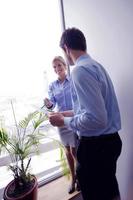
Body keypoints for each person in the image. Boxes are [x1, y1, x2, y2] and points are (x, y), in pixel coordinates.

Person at [48, 28, 122, 200]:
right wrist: (67, 114)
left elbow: (96, 119)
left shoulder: (80, 71)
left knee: (97, 194)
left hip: (96, 148)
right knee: (110, 190)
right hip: (109, 143)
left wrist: (64, 121)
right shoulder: (97, 66)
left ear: (66, 48)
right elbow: (93, 109)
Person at [44, 56, 79, 194]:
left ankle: (81, 177)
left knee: (75, 151)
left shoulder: (73, 80)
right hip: (60, 121)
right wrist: (48, 104)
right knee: (67, 151)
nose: (57, 69)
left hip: (72, 118)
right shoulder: (52, 85)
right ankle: (73, 178)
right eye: (54, 67)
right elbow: (52, 105)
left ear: (64, 65)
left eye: (59, 65)